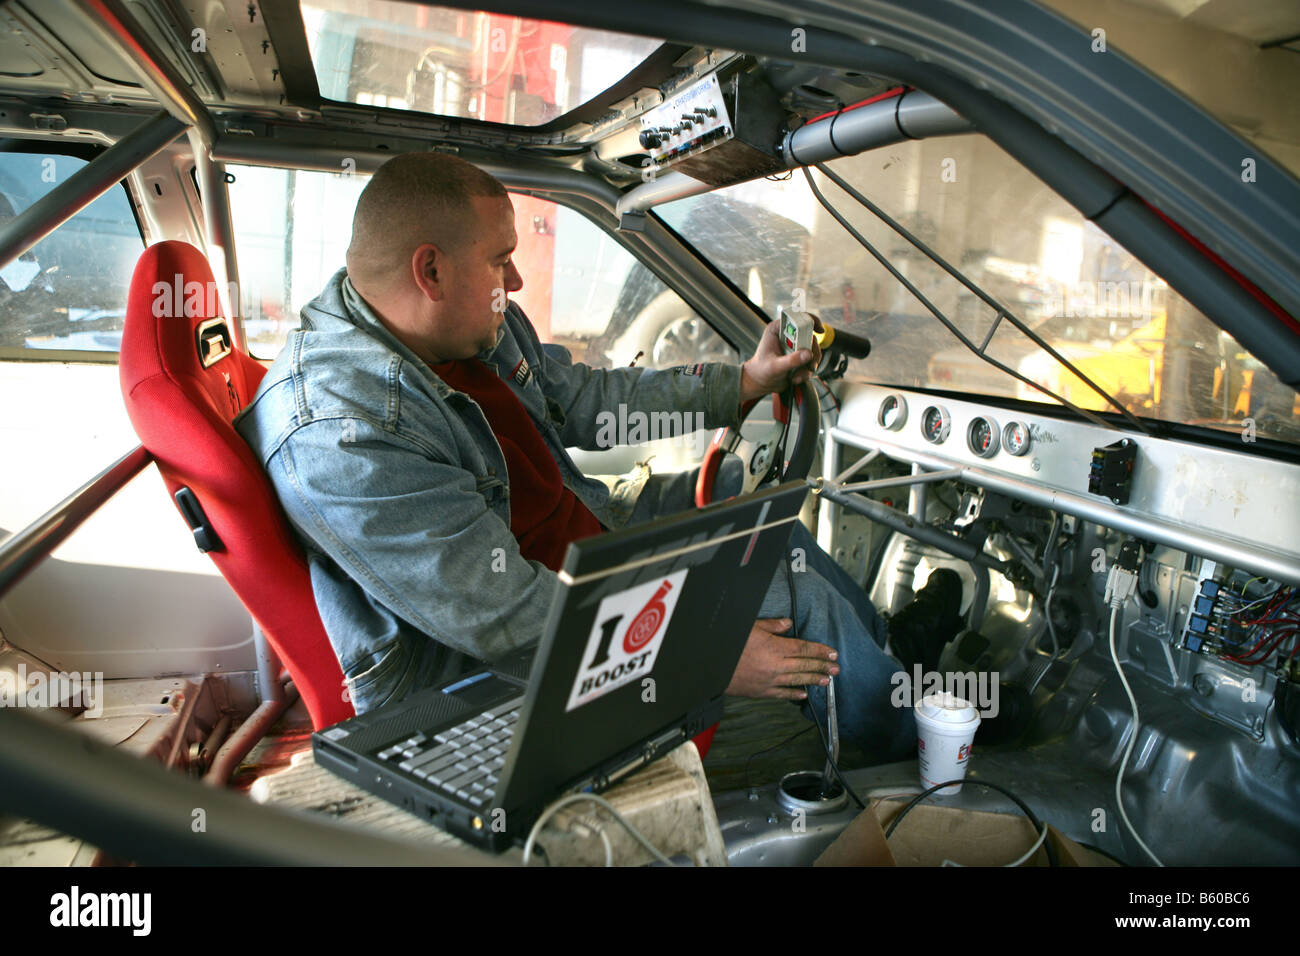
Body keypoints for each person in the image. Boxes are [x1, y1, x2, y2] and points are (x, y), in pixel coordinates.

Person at [236, 152, 913, 758]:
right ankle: (919, 744)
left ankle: (891, 659)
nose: (519, 282)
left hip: (573, 543)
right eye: (502, 260)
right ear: (432, 270)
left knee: (763, 520)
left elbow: (583, 398)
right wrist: (701, 653)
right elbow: (503, 618)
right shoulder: (339, 431)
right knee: (789, 590)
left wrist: (740, 384)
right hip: (473, 673)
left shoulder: (463, 322)